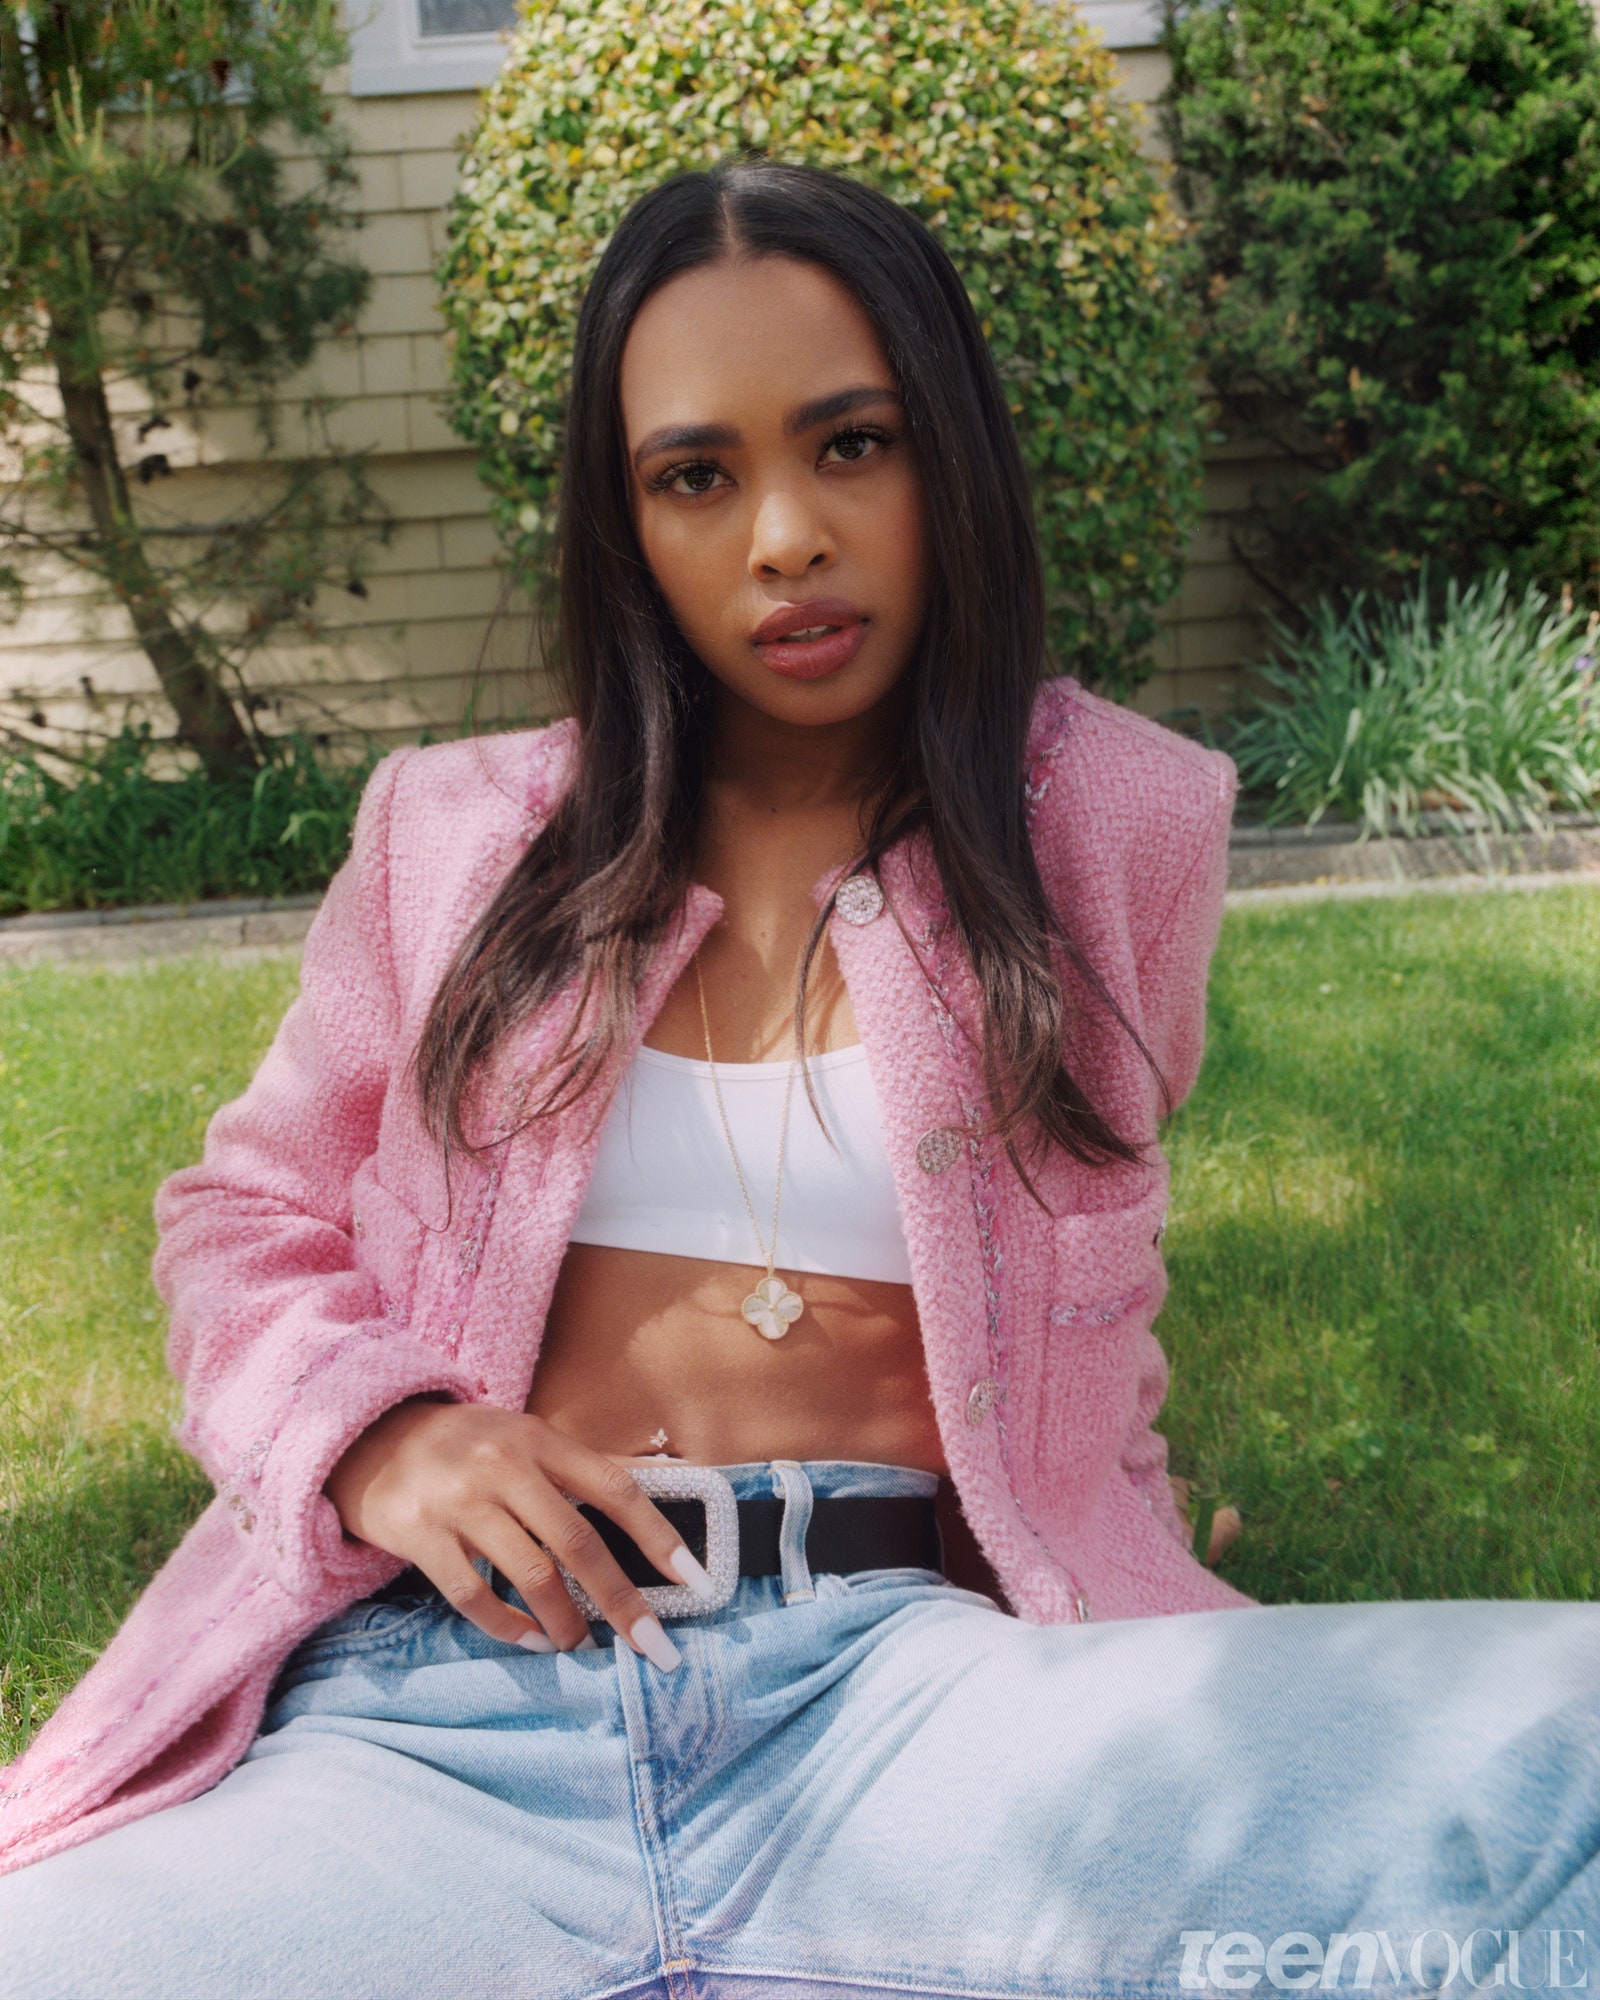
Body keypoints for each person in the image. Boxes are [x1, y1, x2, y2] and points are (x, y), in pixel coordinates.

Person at [0, 161, 1595, 1998]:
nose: (783, 535)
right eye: (698, 476)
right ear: (629, 524)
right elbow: (243, 1213)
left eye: (853, 445)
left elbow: (1096, 1292)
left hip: (910, 1715)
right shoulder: (452, 841)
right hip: (443, 1729)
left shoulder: (1114, 829)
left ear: (951, 463)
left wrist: (1124, 1563)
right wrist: (373, 1436)